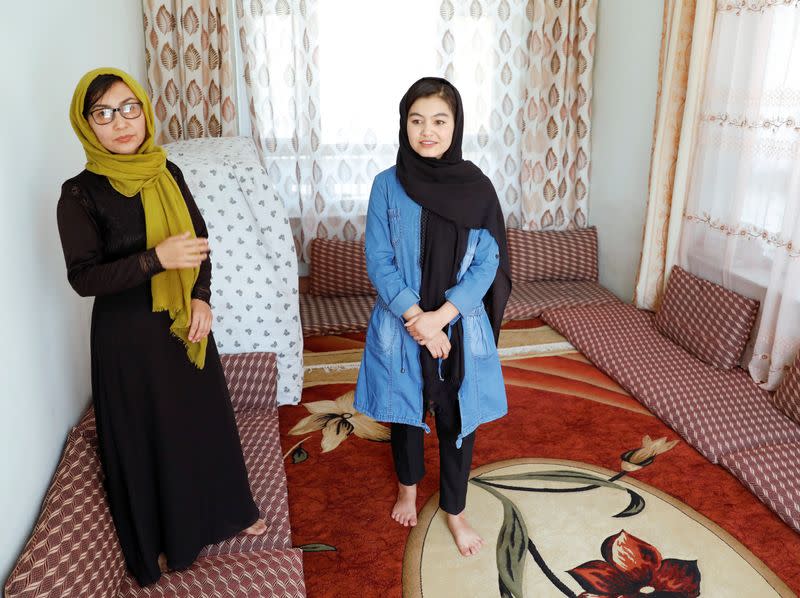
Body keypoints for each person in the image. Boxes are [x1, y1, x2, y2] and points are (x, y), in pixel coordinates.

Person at [56, 67, 266, 587]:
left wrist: (200, 298)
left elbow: (199, 240)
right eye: (103, 113)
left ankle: (230, 514)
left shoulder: (165, 170)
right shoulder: (79, 193)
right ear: (87, 125)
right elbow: (84, 279)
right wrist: (155, 259)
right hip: (127, 341)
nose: (120, 122)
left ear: (144, 112)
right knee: (152, 440)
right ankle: (168, 543)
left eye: (129, 108)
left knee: (205, 424)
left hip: (182, 327)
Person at [354, 77, 512, 557]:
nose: (427, 131)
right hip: (401, 325)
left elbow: (489, 261)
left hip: (458, 326)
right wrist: (416, 317)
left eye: (439, 121)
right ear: (404, 125)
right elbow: (378, 258)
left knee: (457, 418)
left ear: (456, 125)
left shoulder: (478, 187)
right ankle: (407, 487)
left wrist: (441, 317)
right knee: (405, 414)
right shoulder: (387, 184)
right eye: (416, 120)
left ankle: (455, 509)